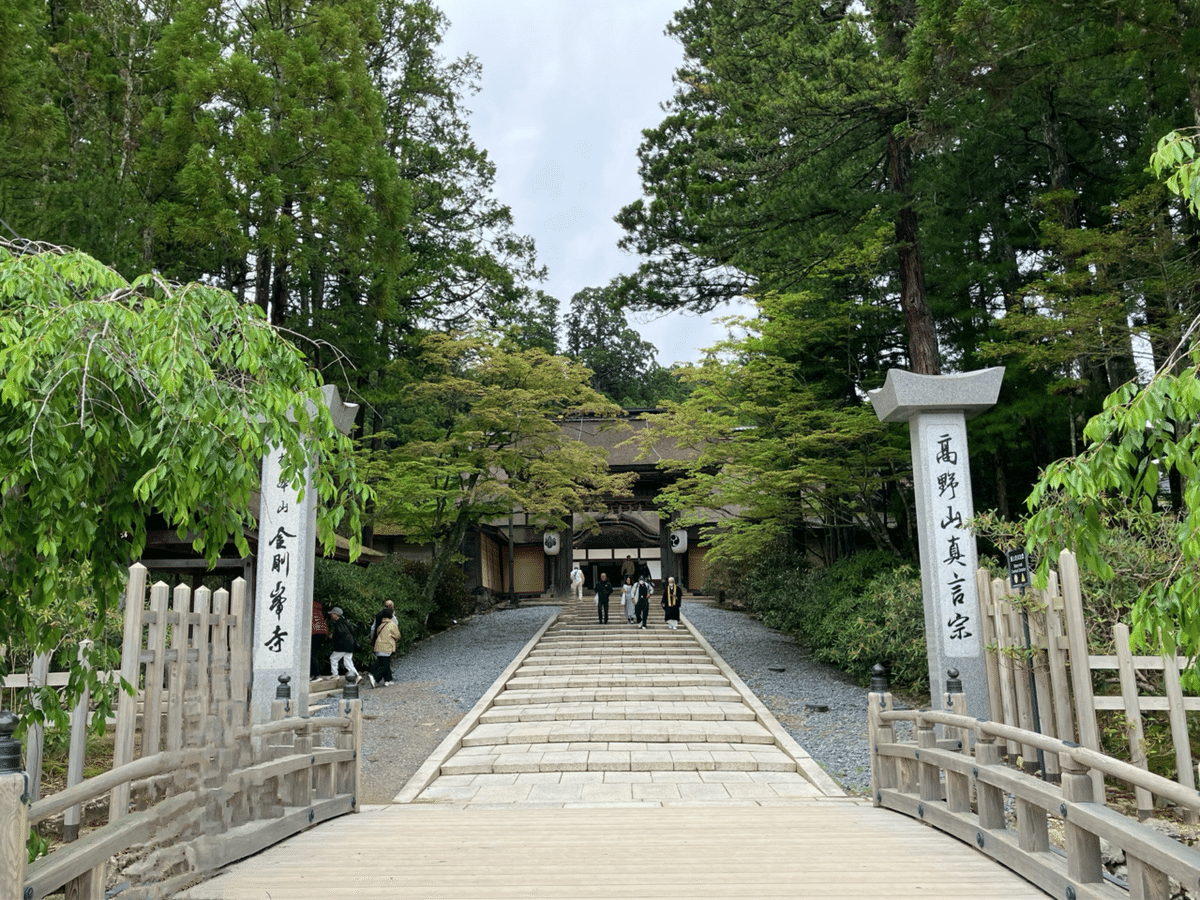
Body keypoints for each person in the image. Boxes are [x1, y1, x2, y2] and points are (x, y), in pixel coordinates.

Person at [327, 607, 360, 685]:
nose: (331, 615)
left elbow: (340, 633)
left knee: (333, 658)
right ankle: (357, 676)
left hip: (342, 645)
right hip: (350, 644)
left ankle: (335, 674)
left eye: (332, 614)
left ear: (336, 614)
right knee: (348, 661)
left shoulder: (338, 622)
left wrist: (333, 636)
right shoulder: (346, 621)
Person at [369, 608, 400, 688]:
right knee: (385, 665)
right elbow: (397, 635)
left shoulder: (381, 624)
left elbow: (373, 630)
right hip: (387, 646)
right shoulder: (392, 624)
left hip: (378, 646)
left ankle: (388, 680)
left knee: (384, 663)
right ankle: (375, 678)